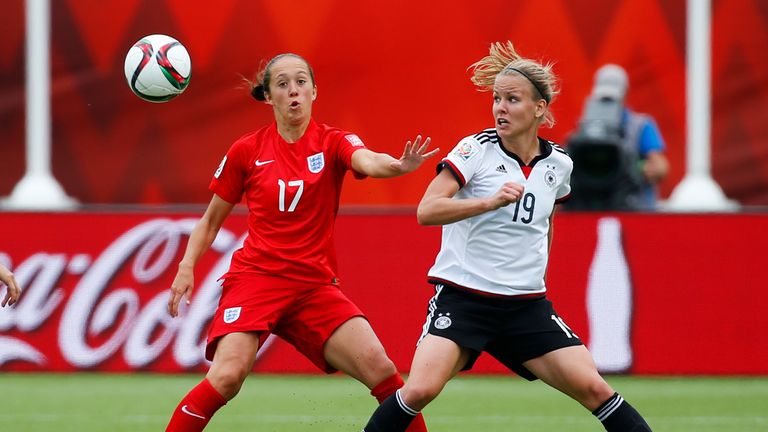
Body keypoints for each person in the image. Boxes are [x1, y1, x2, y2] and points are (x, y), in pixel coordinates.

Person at [362, 42, 652, 432]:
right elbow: (427, 211)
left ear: (539, 109)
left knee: (595, 389)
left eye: (512, 99)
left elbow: (546, 221)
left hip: (524, 307)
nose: (500, 107)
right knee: (419, 390)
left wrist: (535, 274)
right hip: (465, 298)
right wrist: (488, 202)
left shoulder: (559, 164)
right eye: (496, 99)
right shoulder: (474, 150)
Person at [164, 53, 437, 431]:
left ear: (314, 91)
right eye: (282, 84)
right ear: (268, 97)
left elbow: (367, 160)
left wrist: (396, 166)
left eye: (301, 82)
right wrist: (186, 267)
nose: (293, 91)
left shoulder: (333, 142)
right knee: (227, 377)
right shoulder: (247, 150)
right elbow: (211, 221)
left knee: (383, 370)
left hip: (312, 286)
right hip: (257, 279)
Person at [566, 64, 669, 210]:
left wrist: (635, 168)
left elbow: (660, 168)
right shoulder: (585, 127)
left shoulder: (640, 126)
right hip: (588, 207)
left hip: (632, 207)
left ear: (625, 93)